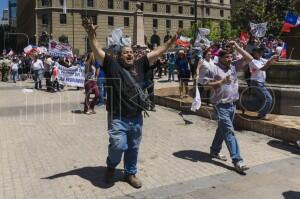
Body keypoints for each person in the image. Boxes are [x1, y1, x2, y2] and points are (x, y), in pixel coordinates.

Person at [82, 17, 177, 188]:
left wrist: (170, 42)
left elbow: (157, 53)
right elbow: (96, 50)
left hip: (136, 117)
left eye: (131, 52)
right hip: (117, 117)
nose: (130, 54)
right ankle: (111, 166)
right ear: (119, 56)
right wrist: (91, 35)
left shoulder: (140, 65)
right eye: (126, 52)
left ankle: (130, 173)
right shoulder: (111, 65)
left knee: (133, 147)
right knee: (118, 145)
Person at [200, 41, 253, 172]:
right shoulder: (213, 68)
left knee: (222, 129)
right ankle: (238, 161)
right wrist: (221, 81)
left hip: (232, 105)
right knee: (229, 131)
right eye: (227, 57)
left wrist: (237, 47)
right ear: (220, 58)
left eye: (231, 56)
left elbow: (249, 59)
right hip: (220, 105)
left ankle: (214, 150)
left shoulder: (234, 66)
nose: (230, 59)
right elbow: (205, 85)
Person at [248, 47, 278, 120]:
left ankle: (257, 111)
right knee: (268, 98)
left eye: (261, 52)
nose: (261, 53)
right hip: (256, 82)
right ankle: (262, 114)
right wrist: (269, 63)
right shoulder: (253, 61)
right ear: (254, 52)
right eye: (259, 52)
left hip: (260, 82)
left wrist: (273, 57)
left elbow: (268, 61)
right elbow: (263, 68)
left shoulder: (261, 59)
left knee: (260, 99)